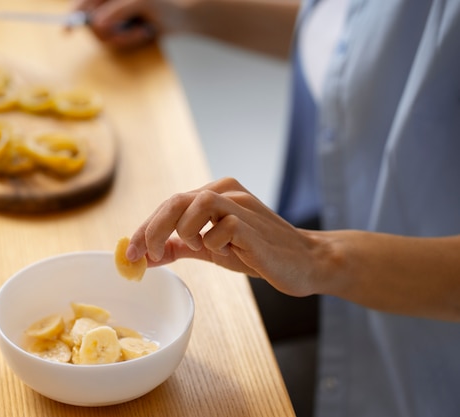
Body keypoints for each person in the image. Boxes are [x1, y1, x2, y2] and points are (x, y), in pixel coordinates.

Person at [72, 0, 460, 415]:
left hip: (427, 348)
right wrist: (185, 11)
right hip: (348, 254)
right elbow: (350, 39)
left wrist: (320, 257)